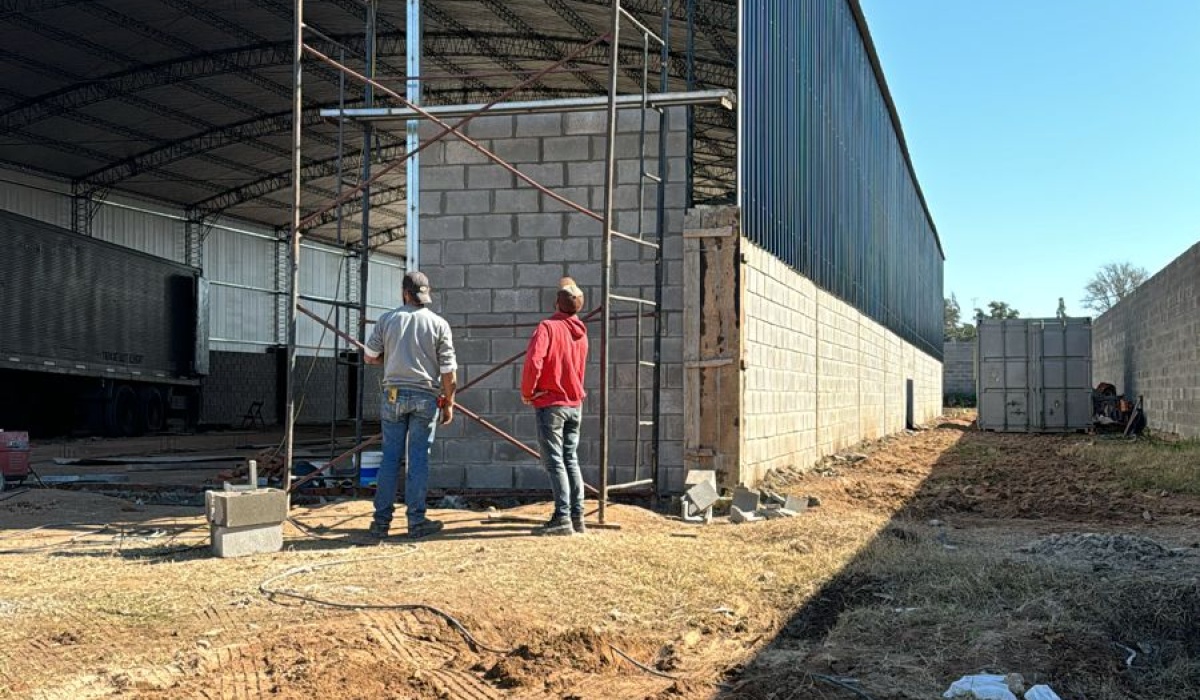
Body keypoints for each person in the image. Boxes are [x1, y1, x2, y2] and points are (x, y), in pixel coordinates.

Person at [364, 271, 457, 540]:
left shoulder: (388, 319)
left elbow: (370, 357)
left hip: (392, 394)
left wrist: (391, 356)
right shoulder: (439, 324)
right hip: (425, 396)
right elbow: (449, 370)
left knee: (390, 459)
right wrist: (449, 401)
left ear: (405, 293)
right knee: (418, 460)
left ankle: (381, 523)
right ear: (424, 295)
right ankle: (416, 522)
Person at [521, 277, 589, 536]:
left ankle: (562, 518)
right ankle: (577, 516)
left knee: (555, 461)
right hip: (575, 404)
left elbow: (534, 361)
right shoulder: (581, 333)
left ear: (555, 303)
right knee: (571, 458)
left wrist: (528, 392)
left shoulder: (548, 327)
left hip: (552, 403)